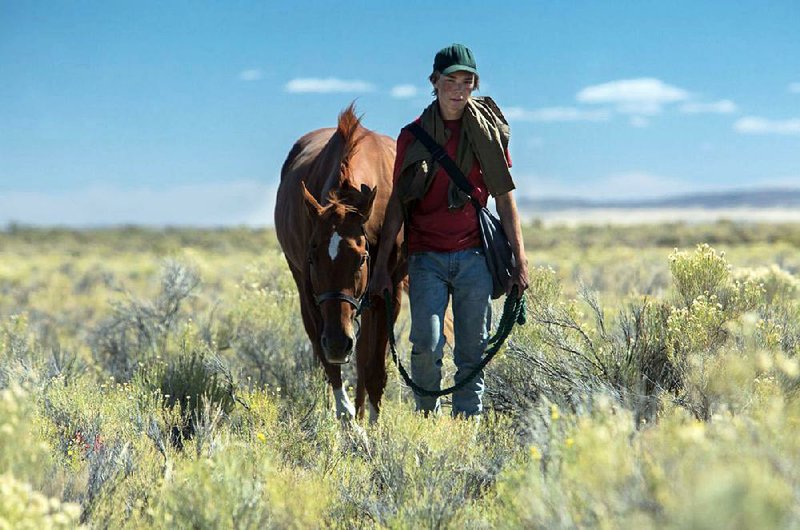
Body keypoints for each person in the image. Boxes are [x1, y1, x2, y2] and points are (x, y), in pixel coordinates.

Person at [370, 43, 529, 418]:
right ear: (434, 82)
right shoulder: (413, 136)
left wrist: (520, 260)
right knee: (426, 342)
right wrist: (380, 268)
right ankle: (427, 419)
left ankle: (466, 430)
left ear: (474, 85)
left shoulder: (486, 133)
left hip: (475, 255)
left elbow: (505, 199)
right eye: (450, 81)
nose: (458, 89)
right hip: (426, 257)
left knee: (472, 349)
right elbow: (398, 205)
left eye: (466, 81)